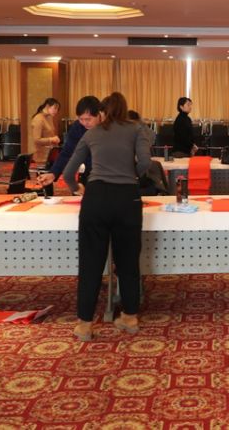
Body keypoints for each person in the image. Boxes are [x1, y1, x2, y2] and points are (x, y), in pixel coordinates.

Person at [64, 92, 152, 341]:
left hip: (96, 198)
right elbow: (146, 162)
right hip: (127, 199)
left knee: (90, 263)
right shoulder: (137, 129)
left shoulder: (92, 133)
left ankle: (84, 324)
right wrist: (130, 175)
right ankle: (130, 317)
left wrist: (76, 187)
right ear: (125, 109)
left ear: (102, 112)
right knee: (128, 261)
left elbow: (69, 172)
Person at [36, 96, 102, 192]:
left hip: (110, 176)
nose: (84, 123)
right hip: (88, 173)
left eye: (88, 119)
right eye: (81, 119)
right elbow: (67, 152)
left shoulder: (109, 128)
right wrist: (53, 173)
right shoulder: (77, 127)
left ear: (99, 115)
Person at [28, 98, 61, 167]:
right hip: (41, 156)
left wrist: (55, 138)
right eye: (55, 108)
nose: (56, 111)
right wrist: (51, 139)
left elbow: (50, 133)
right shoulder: (38, 119)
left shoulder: (49, 117)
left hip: (50, 154)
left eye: (57, 109)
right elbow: (36, 140)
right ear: (47, 106)